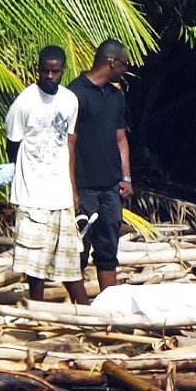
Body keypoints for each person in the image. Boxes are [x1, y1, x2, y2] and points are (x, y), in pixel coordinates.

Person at [5, 46, 88, 304]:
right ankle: (37, 308)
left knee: (69, 259)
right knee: (35, 263)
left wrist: (72, 188)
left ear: (63, 70)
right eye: (45, 71)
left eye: (55, 71)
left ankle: (84, 309)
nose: (49, 76)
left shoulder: (69, 100)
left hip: (60, 192)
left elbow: (69, 144)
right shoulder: (24, 102)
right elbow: (13, 145)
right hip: (33, 194)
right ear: (38, 70)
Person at [69, 39, 134, 293]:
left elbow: (121, 139)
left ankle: (109, 300)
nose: (125, 70)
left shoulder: (116, 96)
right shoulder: (76, 93)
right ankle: (80, 305)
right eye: (124, 65)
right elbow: (69, 144)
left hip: (111, 187)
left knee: (108, 249)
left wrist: (126, 177)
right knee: (79, 249)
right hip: (84, 186)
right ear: (112, 62)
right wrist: (72, 188)